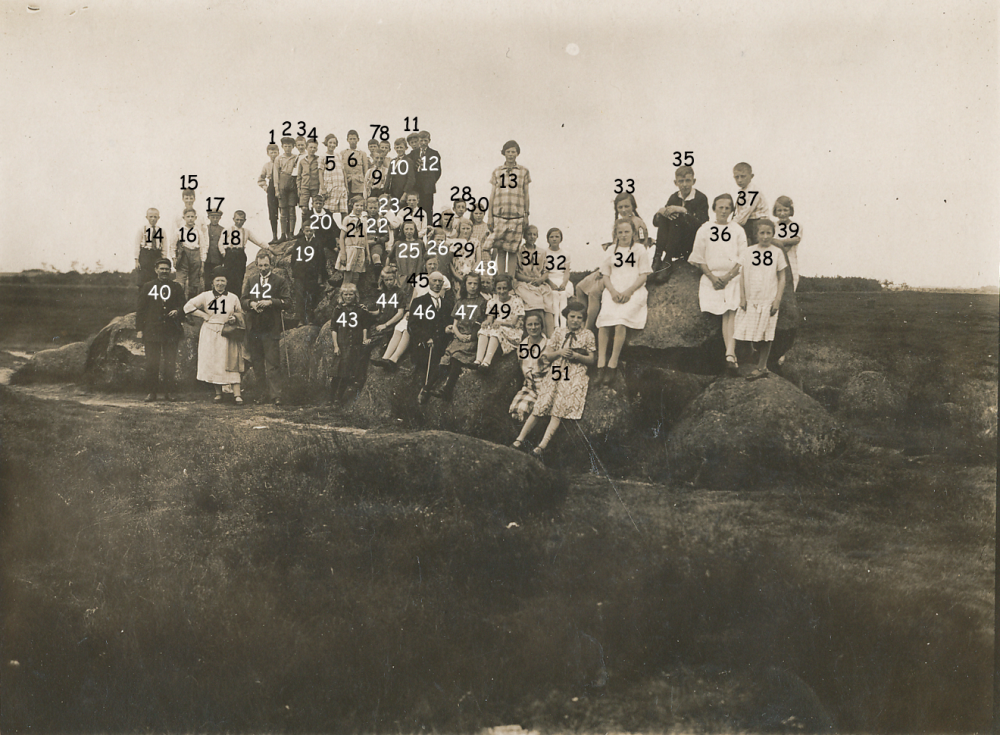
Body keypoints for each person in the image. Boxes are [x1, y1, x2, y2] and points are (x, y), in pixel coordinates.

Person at [512, 300, 595, 459]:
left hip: (575, 371)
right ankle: (519, 439)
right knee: (543, 402)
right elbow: (546, 356)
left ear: (583, 320)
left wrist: (577, 356)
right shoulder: (559, 332)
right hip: (557, 368)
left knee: (559, 406)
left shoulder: (587, 335)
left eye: (579, 317)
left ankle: (541, 446)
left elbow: (592, 359)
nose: (575, 320)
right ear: (567, 317)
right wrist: (560, 353)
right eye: (572, 316)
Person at [688, 194, 746, 374]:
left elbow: (743, 258)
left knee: (732, 309)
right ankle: (730, 355)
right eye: (720, 207)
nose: (723, 211)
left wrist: (728, 276)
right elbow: (698, 257)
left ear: (731, 211)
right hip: (711, 278)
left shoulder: (737, 229)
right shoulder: (705, 229)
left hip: (733, 276)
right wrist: (712, 277)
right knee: (724, 313)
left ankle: (730, 353)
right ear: (714, 208)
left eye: (727, 208)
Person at [595, 219, 652, 386]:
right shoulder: (611, 250)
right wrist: (612, 291)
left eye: (627, 232)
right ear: (616, 234)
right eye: (620, 232)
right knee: (604, 321)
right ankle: (600, 364)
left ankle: (612, 364)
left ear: (633, 233)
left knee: (620, 322)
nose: (623, 235)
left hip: (633, 291)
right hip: (613, 290)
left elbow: (643, 275)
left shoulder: (639, 249)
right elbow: (605, 274)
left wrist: (629, 291)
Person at [373, 255, 451, 370]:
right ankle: (385, 358)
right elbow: (414, 297)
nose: (432, 266)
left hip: (428, 311)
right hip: (416, 308)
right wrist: (409, 311)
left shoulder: (440, 278)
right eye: (430, 264)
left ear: (438, 264)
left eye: (434, 264)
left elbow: (439, 299)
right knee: (400, 326)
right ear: (425, 265)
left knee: (408, 329)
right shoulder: (420, 278)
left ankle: (394, 359)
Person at [184, 268, 246, 404]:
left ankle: (237, 394)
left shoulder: (233, 297)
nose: (220, 283)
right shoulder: (205, 296)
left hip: (227, 332)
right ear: (212, 282)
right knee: (214, 362)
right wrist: (203, 315)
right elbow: (188, 307)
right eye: (217, 280)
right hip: (210, 332)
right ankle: (218, 393)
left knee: (231, 361)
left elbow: (240, 314)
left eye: (222, 280)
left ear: (227, 282)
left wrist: (234, 319)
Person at [736, 219, 787, 380]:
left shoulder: (777, 252)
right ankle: (746, 361)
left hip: (768, 298)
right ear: (756, 234)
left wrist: (777, 299)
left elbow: (782, 277)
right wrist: (743, 297)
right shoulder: (748, 251)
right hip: (751, 298)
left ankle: (762, 366)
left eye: (769, 233)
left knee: (766, 333)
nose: (765, 237)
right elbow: (742, 274)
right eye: (762, 233)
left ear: (773, 234)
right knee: (746, 329)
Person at [426, 272, 488, 401]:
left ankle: (447, 390)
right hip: (459, 337)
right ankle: (427, 388)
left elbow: (481, 323)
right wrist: (458, 334)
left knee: (456, 360)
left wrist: (470, 337)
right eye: (469, 283)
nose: (472, 286)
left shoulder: (482, 302)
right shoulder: (461, 302)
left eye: (475, 283)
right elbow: (455, 323)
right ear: (465, 285)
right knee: (444, 360)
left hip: (471, 338)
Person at [242, 250, 291, 404]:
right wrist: (251, 304)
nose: (263, 268)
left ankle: (276, 395)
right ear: (256, 265)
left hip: (271, 328)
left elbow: (288, 302)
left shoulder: (279, 281)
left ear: (271, 265)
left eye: (266, 265)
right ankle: (261, 394)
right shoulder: (251, 280)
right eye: (260, 265)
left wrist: (271, 302)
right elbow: (243, 300)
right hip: (254, 329)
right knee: (257, 364)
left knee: (273, 364)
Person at [136, 258, 186, 401]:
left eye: (167, 269)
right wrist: (139, 329)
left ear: (170, 271)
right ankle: (151, 392)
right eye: (162, 268)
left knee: (170, 362)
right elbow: (140, 310)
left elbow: (183, 306)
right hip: (152, 330)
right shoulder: (147, 286)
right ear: (156, 270)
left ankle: (168, 392)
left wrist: (177, 311)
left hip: (171, 330)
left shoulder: (176, 287)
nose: (164, 271)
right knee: (152, 362)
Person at [651, 165, 709, 280]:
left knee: (677, 217)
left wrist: (683, 211)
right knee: (666, 216)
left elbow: (703, 225)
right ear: (675, 182)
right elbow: (657, 223)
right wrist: (660, 212)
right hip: (675, 242)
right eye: (681, 181)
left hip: (690, 244)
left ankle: (667, 261)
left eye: (688, 180)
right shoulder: (674, 197)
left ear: (694, 181)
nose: (685, 185)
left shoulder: (700, 198)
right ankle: (657, 258)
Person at [407, 271, 454, 404]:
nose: (438, 284)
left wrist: (447, 328)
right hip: (424, 344)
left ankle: (427, 391)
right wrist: (426, 338)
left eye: (440, 281)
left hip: (441, 344)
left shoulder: (447, 304)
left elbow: (447, 323)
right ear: (428, 282)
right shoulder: (419, 301)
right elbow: (412, 325)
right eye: (435, 281)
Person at [488, 140, 531, 276]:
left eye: (513, 151)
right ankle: (501, 279)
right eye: (508, 151)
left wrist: (526, 215)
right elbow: (492, 194)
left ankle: (511, 281)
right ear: (504, 153)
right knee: (501, 249)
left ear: (517, 153)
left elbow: (526, 194)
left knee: (513, 250)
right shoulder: (497, 171)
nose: (511, 154)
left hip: (516, 215)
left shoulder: (523, 171)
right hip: (499, 215)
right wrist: (490, 216)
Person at [329, 283, 373, 404]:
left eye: (351, 294)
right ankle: (331, 397)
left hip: (355, 344)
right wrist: (336, 346)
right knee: (337, 372)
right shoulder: (338, 310)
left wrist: (364, 338)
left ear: (355, 295)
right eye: (346, 294)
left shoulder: (360, 309)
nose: (348, 297)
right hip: (342, 344)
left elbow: (364, 326)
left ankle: (339, 397)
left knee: (348, 372)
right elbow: (334, 328)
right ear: (342, 295)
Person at [475, 273, 525, 371]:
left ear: (509, 288)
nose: (501, 291)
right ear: (495, 288)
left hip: (512, 331)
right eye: (499, 288)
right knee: (484, 329)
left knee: (495, 331)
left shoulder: (516, 301)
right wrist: (487, 322)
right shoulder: (493, 302)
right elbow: (490, 318)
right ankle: (478, 360)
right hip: (499, 328)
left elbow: (513, 323)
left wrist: (499, 323)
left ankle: (486, 362)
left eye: (504, 288)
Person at [514, 225, 555, 336]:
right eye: (529, 234)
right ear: (524, 236)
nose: (532, 237)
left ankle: (550, 336)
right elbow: (516, 273)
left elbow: (546, 271)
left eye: (534, 234)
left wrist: (540, 279)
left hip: (540, 283)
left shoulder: (542, 252)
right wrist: (530, 279)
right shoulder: (519, 251)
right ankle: (539, 334)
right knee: (536, 302)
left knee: (548, 304)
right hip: (524, 283)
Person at [508, 312, 550, 422]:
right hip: (530, 387)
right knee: (517, 411)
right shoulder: (522, 346)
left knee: (541, 412)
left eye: (536, 324)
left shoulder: (549, 344)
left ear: (541, 326)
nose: (533, 327)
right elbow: (522, 367)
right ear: (525, 326)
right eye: (530, 324)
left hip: (547, 387)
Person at [290, 223, 328, 326]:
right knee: (300, 296)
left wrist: (320, 275)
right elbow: (294, 258)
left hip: (312, 274)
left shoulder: (317, 243)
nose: (309, 232)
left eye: (311, 231)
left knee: (311, 296)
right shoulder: (299, 242)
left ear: (314, 231)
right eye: (307, 230)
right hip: (300, 274)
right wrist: (295, 269)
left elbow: (321, 260)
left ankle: (311, 318)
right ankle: (300, 319)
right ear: (303, 231)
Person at [365, 265, 405, 358]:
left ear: (395, 279)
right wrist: (368, 312)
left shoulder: (400, 293)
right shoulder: (382, 293)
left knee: (378, 344)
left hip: (391, 326)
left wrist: (386, 325)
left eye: (391, 279)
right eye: (386, 280)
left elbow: (400, 313)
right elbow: (379, 312)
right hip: (380, 323)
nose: (389, 282)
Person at [732, 162, 770, 245]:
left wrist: (728, 225)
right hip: (748, 222)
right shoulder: (742, 191)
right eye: (736, 177)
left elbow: (744, 214)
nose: (740, 180)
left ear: (751, 176)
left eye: (743, 176)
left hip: (758, 223)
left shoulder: (753, 191)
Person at [172, 208, 206, 299]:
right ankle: (179, 304)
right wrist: (174, 258)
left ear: (195, 218)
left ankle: (191, 304)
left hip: (195, 255)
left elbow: (203, 247)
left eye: (192, 216)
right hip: (183, 255)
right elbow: (173, 245)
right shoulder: (179, 231)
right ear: (184, 218)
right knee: (180, 281)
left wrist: (202, 263)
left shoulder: (198, 231)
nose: (190, 218)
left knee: (194, 283)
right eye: (188, 217)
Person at [544, 227, 573, 327]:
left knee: (563, 293)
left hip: (562, 279)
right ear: (548, 239)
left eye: (557, 236)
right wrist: (551, 284)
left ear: (561, 239)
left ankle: (564, 324)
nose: (554, 239)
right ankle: (556, 323)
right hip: (549, 279)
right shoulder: (544, 253)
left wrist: (564, 283)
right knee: (554, 294)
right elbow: (544, 272)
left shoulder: (566, 253)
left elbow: (566, 271)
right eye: (551, 237)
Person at [771, 196, 802, 291]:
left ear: (790, 211)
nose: (782, 213)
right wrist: (785, 241)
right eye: (779, 210)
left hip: (790, 263)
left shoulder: (795, 226)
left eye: (785, 210)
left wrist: (775, 241)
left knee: (788, 289)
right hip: (773, 262)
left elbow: (792, 243)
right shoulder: (772, 225)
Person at [337, 195, 369, 286]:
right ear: (352, 206)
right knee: (348, 276)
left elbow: (365, 237)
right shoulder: (348, 219)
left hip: (360, 250)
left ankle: (353, 296)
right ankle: (342, 297)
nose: (359, 208)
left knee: (356, 277)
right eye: (357, 205)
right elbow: (342, 238)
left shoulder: (364, 219)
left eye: (361, 206)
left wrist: (368, 254)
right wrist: (343, 253)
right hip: (350, 249)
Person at [275, 137, 299, 241]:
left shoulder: (296, 158)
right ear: (282, 147)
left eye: (289, 146)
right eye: (285, 146)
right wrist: (276, 189)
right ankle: (283, 234)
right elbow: (276, 174)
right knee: (283, 211)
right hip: (282, 184)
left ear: (293, 147)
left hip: (292, 184)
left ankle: (291, 233)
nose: (287, 148)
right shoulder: (279, 159)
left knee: (292, 209)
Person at [135, 207, 166, 288]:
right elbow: (137, 245)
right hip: (146, 254)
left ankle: (155, 298)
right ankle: (143, 296)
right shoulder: (142, 229)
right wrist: (136, 260)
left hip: (157, 255)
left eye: (155, 217)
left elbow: (164, 246)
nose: (153, 219)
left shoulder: (161, 231)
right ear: (147, 217)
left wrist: (164, 259)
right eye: (151, 217)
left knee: (156, 277)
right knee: (144, 277)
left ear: (158, 218)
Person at [413, 130, 442, 215]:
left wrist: (430, 181)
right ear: (418, 141)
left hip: (428, 188)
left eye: (425, 140)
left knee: (427, 209)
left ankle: (428, 227)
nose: (423, 143)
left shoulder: (434, 153)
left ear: (429, 140)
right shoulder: (413, 153)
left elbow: (438, 171)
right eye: (421, 140)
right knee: (416, 209)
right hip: (416, 186)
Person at [258, 143, 281, 243]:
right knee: (273, 213)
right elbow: (260, 179)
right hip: (271, 189)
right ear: (267, 153)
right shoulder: (266, 166)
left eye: (275, 152)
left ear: (278, 153)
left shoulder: (281, 162)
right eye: (271, 153)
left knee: (284, 212)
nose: (273, 155)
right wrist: (266, 187)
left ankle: (286, 235)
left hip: (281, 186)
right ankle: (275, 236)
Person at [446, 219, 482, 284]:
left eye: (468, 229)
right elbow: (449, 261)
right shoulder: (453, 241)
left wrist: (471, 274)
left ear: (471, 230)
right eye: (463, 228)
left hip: (471, 276)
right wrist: (456, 275)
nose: (465, 231)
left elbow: (478, 260)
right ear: (459, 229)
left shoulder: (475, 242)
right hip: (457, 275)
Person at [320, 134, 348, 216]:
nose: (332, 145)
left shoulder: (339, 156)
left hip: (341, 188)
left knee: (344, 212)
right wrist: (323, 188)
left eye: (334, 143)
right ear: (326, 143)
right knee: (329, 212)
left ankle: (344, 229)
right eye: (330, 142)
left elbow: (343, 172)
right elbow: (320, 173)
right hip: (330, 188)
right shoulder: (323, 157)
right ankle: (329, 229)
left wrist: (346, 187)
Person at [297, 138, 321, 229]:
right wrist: (299, 188)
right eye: (310, 147)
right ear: (306, 148)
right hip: (305, 187)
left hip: (315, 187)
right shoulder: (302, 161)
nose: (312, 149)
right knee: (304, 208)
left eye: (314, 148)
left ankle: (316, 228)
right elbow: (299, 176)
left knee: (316, 208)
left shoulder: (319, 160)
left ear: (317, 149)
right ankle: (303, 228)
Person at [202, 209, 226, 292]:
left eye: (217, 217)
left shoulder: (223, 230)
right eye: (213, 217)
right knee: (206, 279)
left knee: (217, 278)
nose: (215, 219)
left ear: (220, 218)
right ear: (209, 217)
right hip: (206, 258)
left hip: (217, 259)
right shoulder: (204, 229)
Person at [342, 129, 369, 201]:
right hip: (347, 183)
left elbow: (365, 170)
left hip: (359, 184)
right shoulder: (343, 153)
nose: (352, 141)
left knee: (358, 202)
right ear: (347, 140)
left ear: (358, 139)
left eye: (354, 139)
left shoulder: (362, 153)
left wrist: (365, 186)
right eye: (350, 139)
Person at [386, 137, 415, 202]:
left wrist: (405, 194)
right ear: (394, 148)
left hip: (401, 193)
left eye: (401, 147)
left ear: (406, 148)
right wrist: (386, 191)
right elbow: (388, 177)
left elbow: (411, 179)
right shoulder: (393, 161)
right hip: (392, 193)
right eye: (397, 147)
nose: (399, 149)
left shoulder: (408, 161)